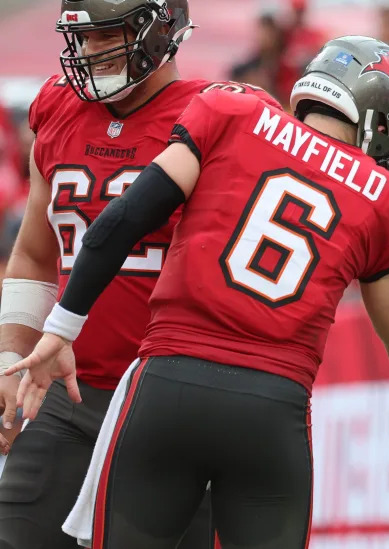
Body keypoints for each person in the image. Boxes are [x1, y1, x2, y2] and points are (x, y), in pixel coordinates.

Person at [6, 36, 389, 549]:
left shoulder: (233, 113)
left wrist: (61, 327)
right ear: (383, 121)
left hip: (166, 383)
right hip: (271, 407)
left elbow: (122, 219)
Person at [0, 1, 280, 548]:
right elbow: (35, 254)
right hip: (72, 395)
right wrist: (11, 360)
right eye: (82, 38)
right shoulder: (57, 107)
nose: (90, 52)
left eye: (108, 35)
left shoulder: (219, 114)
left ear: (160, 31)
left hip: (171, 405)